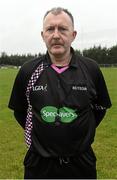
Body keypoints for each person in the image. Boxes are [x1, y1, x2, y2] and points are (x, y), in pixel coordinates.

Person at [8, 7, 112, 179]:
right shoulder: (28, 71)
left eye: (63, 29)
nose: (56, 35)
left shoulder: (91, 69)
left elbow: (100, 108)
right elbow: (20, 111)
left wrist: (79, 131)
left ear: (73, 34)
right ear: (43, 35)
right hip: (39, 164)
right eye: (50, 29)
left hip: (81, 163)